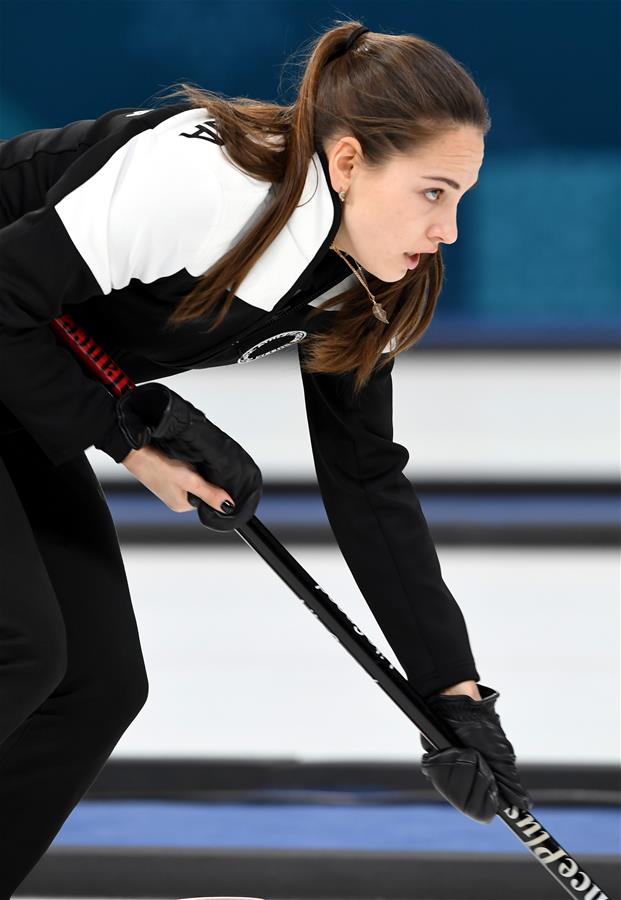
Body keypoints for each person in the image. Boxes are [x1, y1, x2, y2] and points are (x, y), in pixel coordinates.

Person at [0, 20, 532, 895]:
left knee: (93, 688)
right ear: (351, 161)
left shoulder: (365, 272)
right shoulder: (207, 180)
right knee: (20, 649)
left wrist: (453, 695)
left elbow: (363, 477)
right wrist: (129, 433)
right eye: (433, 193)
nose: (449, 229)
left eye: (461, 199)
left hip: (17, 371)